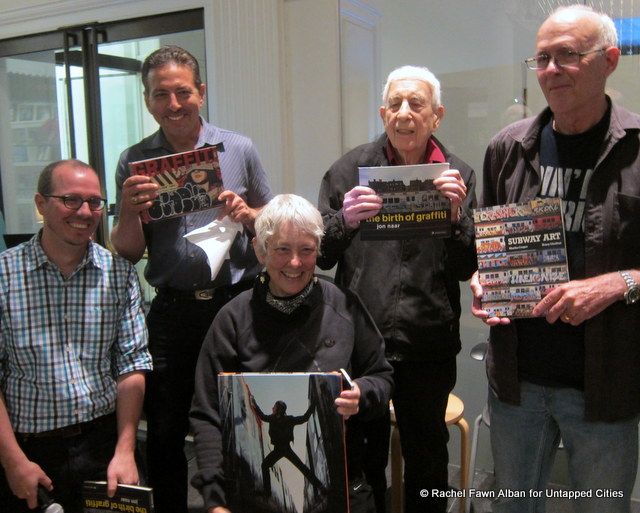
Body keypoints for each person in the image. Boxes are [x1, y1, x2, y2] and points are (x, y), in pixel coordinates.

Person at [470, 5, 640, 513]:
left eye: (567, 55)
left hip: (605, 385)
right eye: (542, 57)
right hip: (517, 381)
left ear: (609, 60)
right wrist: (485, 281)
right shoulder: (508, 147)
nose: (550, 70)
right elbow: (489, 247)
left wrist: (619, 283)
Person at [110, 45, 272, 513]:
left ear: (201, 92)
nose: (174, 103)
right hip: (172, 312)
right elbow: (128, 250)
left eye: (183, 91)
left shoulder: (238, 147)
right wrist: (127, 210)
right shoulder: (134, 161)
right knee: (164, 429)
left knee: (243, 419)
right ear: (147, 101)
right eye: (161, 94)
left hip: (238, 304)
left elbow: (272, 219)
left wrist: (248, 213)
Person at [317, 65, 476, 513]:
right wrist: (345, 221)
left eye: (417, 104)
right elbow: (322, 255)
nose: (405, 113)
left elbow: (469, 267)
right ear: (383, 112)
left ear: (437, 115)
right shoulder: (349, 169)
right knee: (361, 454)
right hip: (361, 341)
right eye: (396, 104)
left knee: (427, 454)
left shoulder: (459, 173)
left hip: (429, 341)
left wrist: (456, 218)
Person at [190, 194, 393, 513]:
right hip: (255, 493)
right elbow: (208, 414)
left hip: (340, 488)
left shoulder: (345, 306)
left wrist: (361, 394)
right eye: (283, 249)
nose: (295, 263)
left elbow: (382, 377)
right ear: (260, 249)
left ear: (318, 250)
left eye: (306, 250)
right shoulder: (232, 319)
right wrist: (215, 500)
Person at [0, 159, 152, 513]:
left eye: (95, 202)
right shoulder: (5, 276)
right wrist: (12, 462)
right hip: (28, 450)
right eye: (71, 200)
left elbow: (133, 365)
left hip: (103, 446)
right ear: (41, 204)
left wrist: (126, 449)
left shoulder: (119, 275)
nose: (85, 212)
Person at [249, 396, 323, 496]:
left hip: (283, 449)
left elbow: (304, 418)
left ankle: (321, 487)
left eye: (274, 407)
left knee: (301, 468)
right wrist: (254, 403)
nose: (272, 408)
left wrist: (313, 405)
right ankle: (321, 487)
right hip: (281, 449)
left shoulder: (285, 419)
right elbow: (262, 416)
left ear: (278, 409)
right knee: (301, 468)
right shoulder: (275, 418)